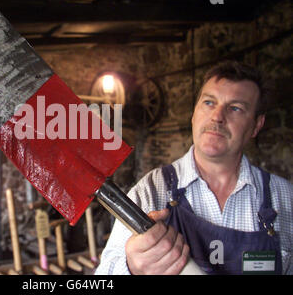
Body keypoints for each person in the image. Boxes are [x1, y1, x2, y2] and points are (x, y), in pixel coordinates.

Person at [95, 61, 292, 275]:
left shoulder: (284, 197)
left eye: (235, 108)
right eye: (209, 103)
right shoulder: (150, 192)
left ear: (256, 125)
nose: (217, 116)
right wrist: (132, 268)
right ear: (194, 113)